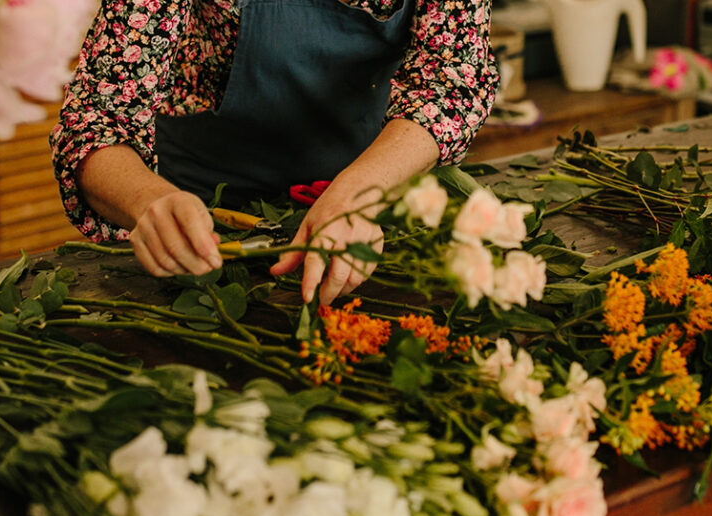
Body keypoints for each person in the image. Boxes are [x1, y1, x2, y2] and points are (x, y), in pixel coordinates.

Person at [50, 0, 499, 305]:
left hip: (368, 212)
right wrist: (146, 201)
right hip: (200, 221)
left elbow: (451, 81)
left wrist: (360, 192)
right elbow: (95, 114)